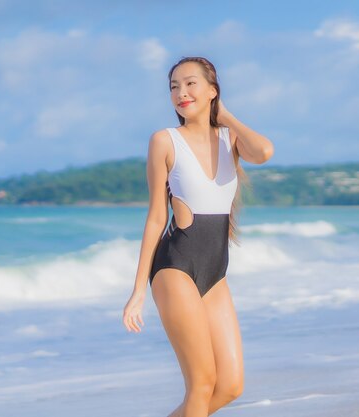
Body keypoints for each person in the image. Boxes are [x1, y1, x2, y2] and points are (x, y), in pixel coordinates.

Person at [122, 56, 274, 417]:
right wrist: (137, 291)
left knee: (230, 386)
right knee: (202, 384)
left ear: (212, 90)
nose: (181, 93)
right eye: (174, 86)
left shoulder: (230, 139)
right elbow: (157, 217)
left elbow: (264, 152)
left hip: (215, 274)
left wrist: (227, 116)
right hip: (175, 267)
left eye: (190, 84)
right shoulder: (164, 141)